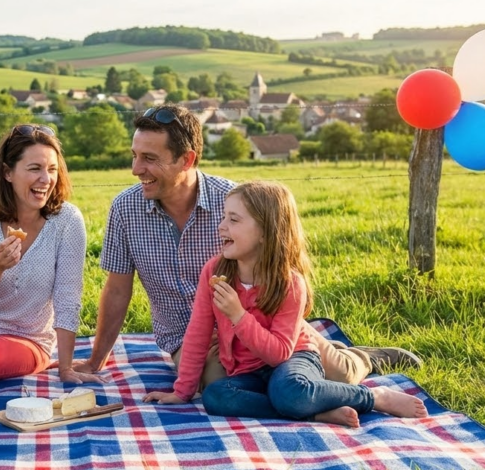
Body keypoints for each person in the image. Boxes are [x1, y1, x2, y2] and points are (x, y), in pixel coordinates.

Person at [74, 104, 421, 388]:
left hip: (261, 324)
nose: (136, 169)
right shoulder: (125, 208)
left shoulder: (233, 201)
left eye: (149, 158)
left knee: (338, 375)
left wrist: (272, 330)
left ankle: (361, 357)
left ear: (187, 160)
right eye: (134, 155)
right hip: (186, 337)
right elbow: (117, 289)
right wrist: (96, 360)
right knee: (219, 384)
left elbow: (284, 272)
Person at [144, 181, 428, 427]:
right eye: (223, 217)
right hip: (246, 370)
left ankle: (373, 397)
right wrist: (181, 392)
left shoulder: (290, 283)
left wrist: (238, 315)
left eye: (234, 219)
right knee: (216, 396)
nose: (221, 226)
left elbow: (280, 354)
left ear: (265, 232)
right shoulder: (214, 272)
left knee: (291, 391)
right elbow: (198, 332)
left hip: (292, 359)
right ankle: (316, 413)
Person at [0, 124, 107, 385]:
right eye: (35, 168)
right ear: (8, 173)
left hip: (29, 338)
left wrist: (66, 368)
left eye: (52, 169)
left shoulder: (67, 221)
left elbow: (67, 299)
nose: (46, 179)